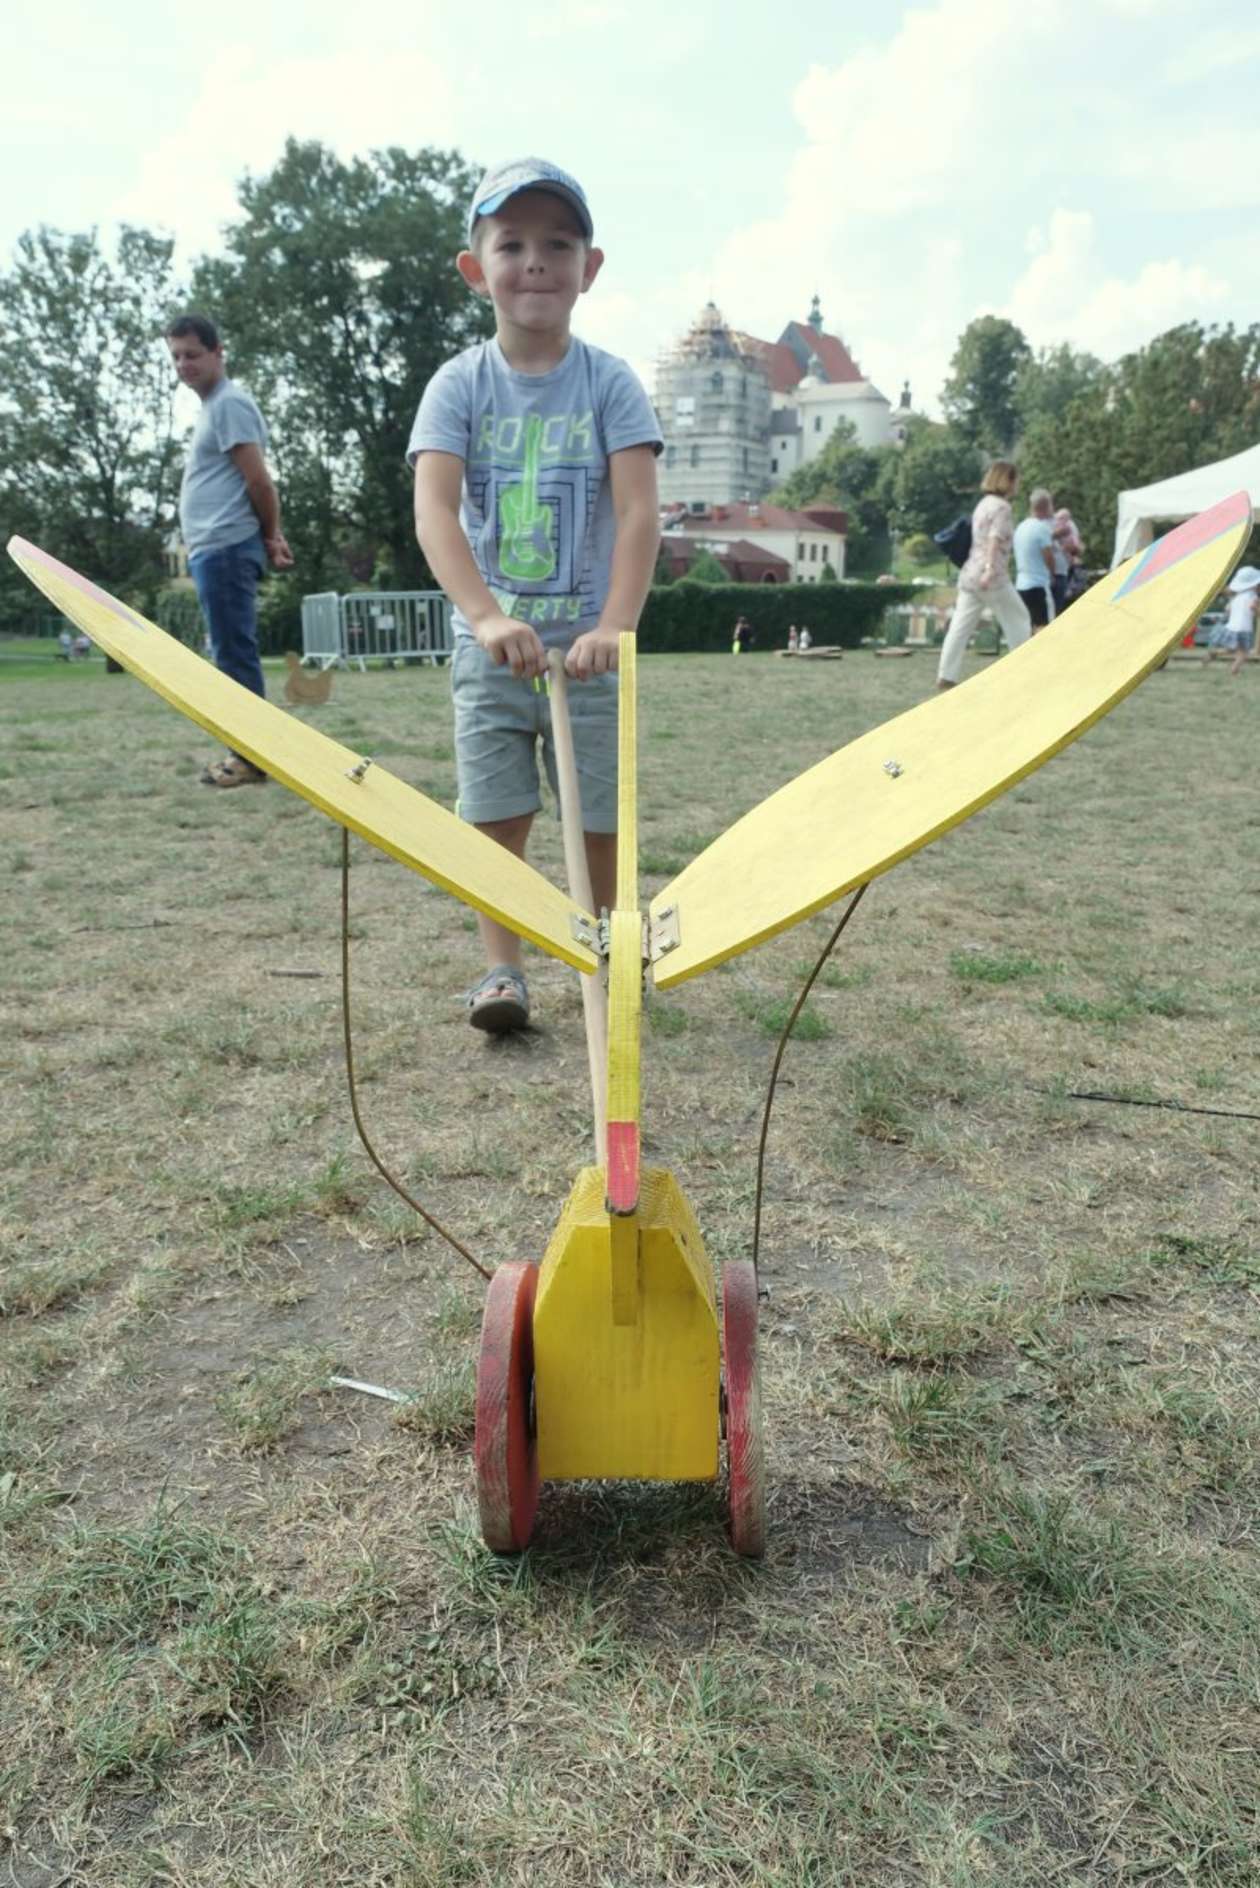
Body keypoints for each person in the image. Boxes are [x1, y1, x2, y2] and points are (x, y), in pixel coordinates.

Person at [410, 157, 662, 1033]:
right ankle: (502, 970)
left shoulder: (610, 383)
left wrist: (614, 626)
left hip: (589, 653)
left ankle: (602, 950)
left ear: (590, 269)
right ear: (476, 269)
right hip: (493, 653)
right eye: (511, 244)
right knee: (496, 812)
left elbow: (637, 515)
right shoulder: (458, 386)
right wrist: (484, 616)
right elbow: (435, 512)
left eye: (559, 243)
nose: (536, 261)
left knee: (596, 815)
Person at [166, 313, 293, 788]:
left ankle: (250, 757)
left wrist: (271, 534)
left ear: (219, 352)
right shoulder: (214, 408)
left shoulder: (229, 405)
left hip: (224, 548)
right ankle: (249, 752)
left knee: (233, 655)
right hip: (214, 549)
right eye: (176, 356)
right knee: (229, 652)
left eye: (193, 354)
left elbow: (259, 481)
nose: (184, 364)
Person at [935, 462, 1030, 690]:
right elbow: (994, 540)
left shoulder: (983, 504)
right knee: (1019, 619)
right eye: (1016, 479)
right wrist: (989, 569)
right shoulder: (1002, 508)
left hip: (969, 574)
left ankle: (946, 675)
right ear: (1006, 480)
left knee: (960, 627)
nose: (1018, 484)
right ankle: (1026, 669)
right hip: (992, 576)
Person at [1012, 488, 1057, 631]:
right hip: (1038, 584)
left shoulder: (1020, 527)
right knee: (1044, 628)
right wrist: (1053, 574)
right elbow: (1048, 556)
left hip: (1020, 584)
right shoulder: (1041, 528)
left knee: (1028, 628)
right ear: (1046, 506)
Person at [1215, 565, 1260, 678]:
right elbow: (1253, 607)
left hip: (1231, 627)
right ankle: (1234, 670)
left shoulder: (1236, 597)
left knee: (1232, 649)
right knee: (1244, 652)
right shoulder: (1254, 596)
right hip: (1244, 628)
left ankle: (1214, 653)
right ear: (1255, 585)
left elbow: (1228, 609)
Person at [1050, 506, 1084, 617]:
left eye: (1066, 518)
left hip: (1069, 568)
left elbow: (1077, 547)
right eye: (1061, 518)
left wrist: (1074, 549)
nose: (1063, 520)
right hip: (1057, 571)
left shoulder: (1070, 526)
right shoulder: (1050, 527)